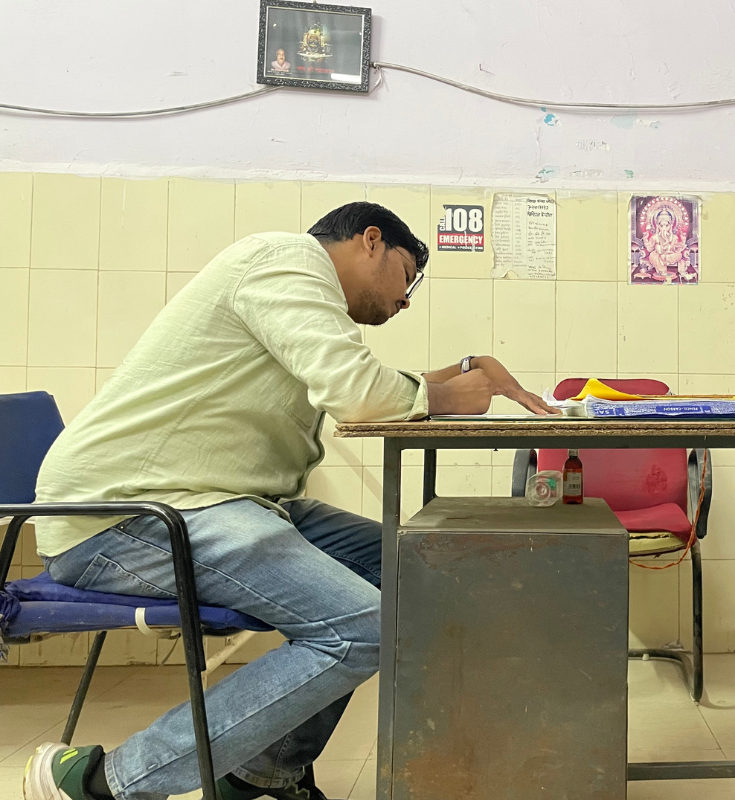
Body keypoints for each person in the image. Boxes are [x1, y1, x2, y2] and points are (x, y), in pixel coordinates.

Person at [23, 202, 555, 800]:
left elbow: (356, 381)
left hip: (221, 500)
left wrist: (461, 372)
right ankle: (105, 781)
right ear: (370, 241)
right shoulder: (285, 262)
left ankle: (258, 774)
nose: (406, 300)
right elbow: (356, 392)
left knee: (409, 569)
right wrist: (449, 397)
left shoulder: (300, 299)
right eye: (408, 276)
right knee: (365, 627)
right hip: (130, 515)